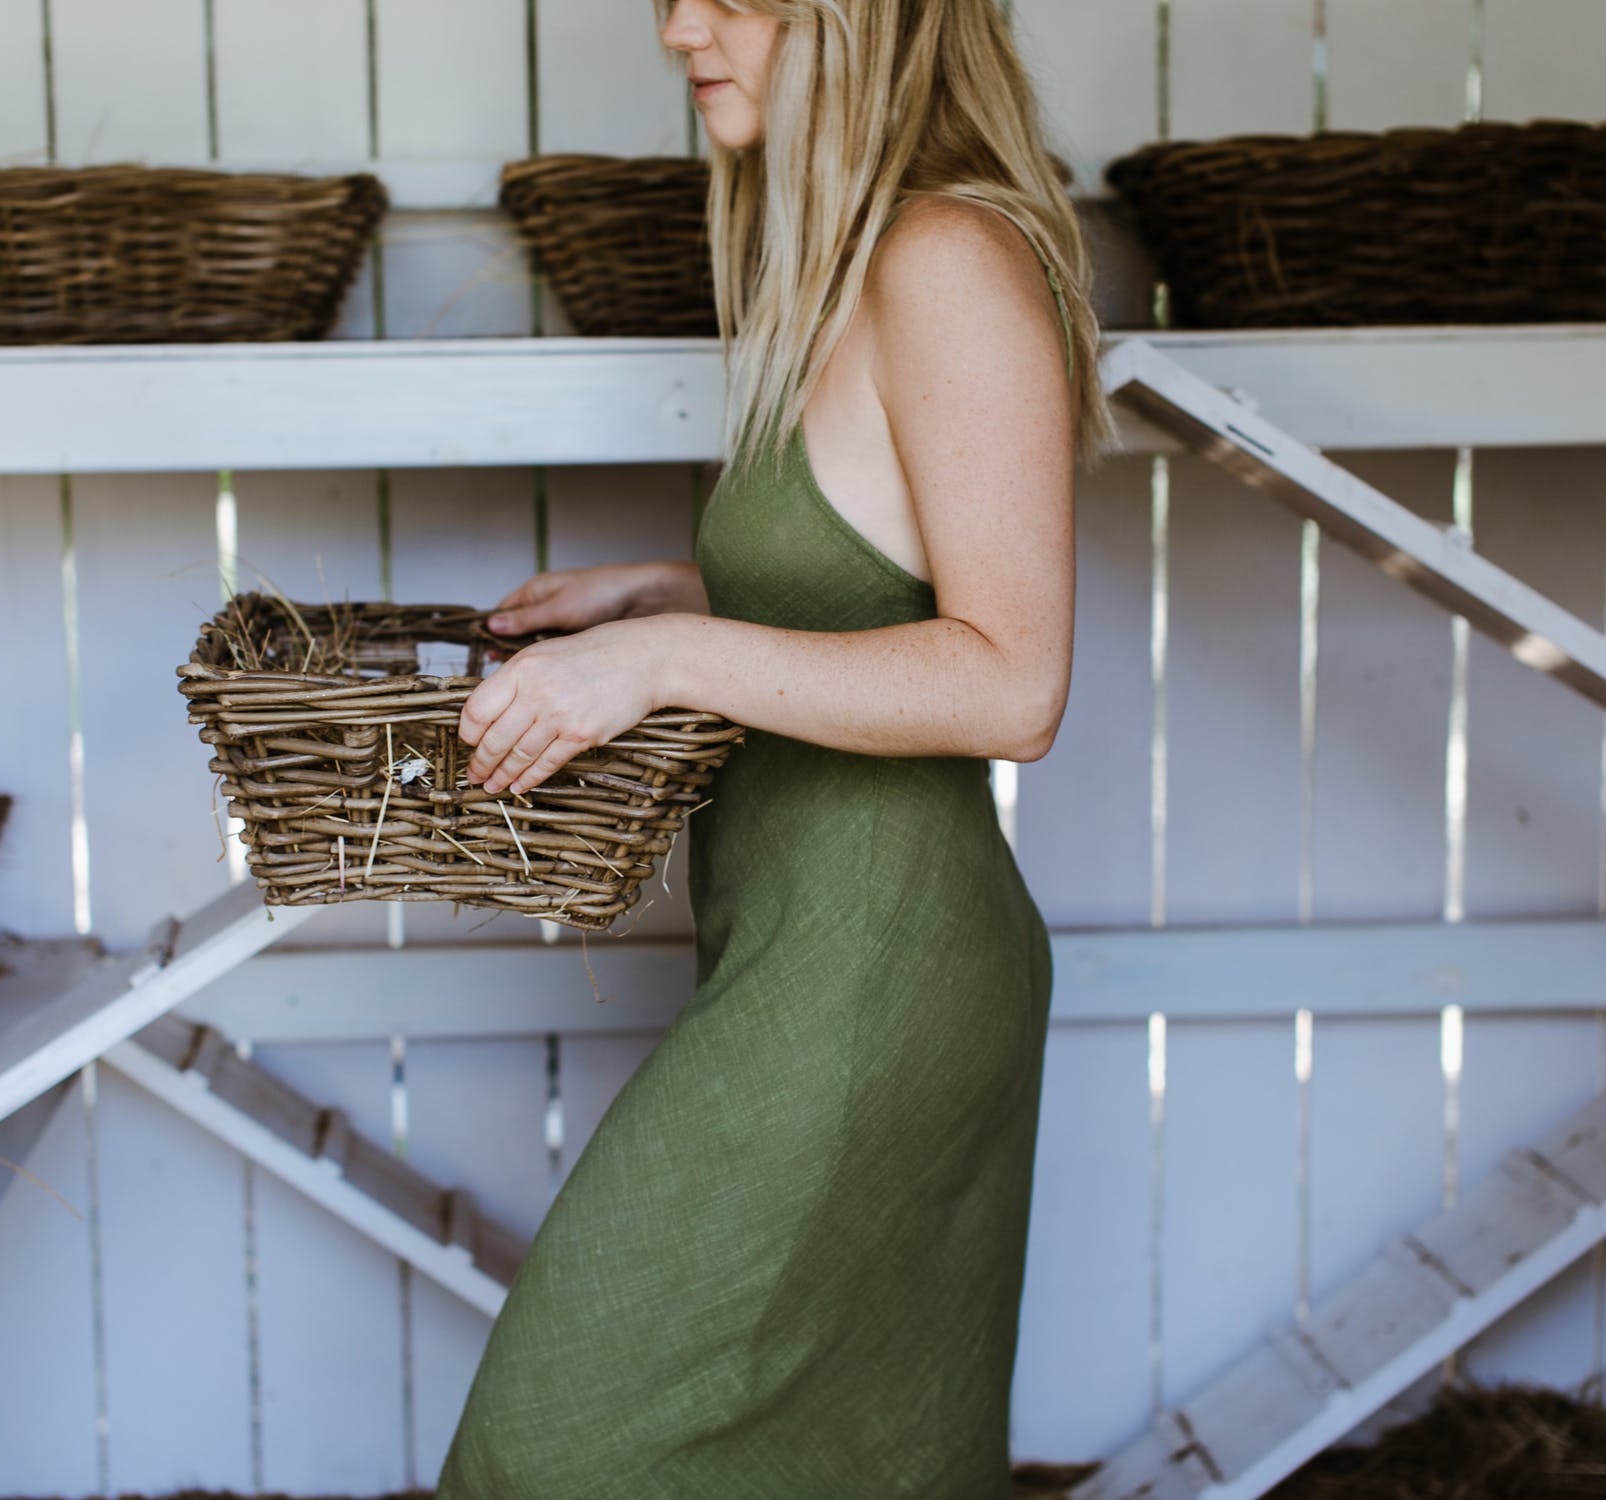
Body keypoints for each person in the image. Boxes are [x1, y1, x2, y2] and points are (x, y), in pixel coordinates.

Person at [437, 1, 1116, 1495]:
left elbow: (1013, 683)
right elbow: (880, 597)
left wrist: (666, 656)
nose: (677, 24)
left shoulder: (946, 258)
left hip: (877, 966)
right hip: (809, 939)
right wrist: (677, 594)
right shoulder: (842, 260)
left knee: (555, 1453)